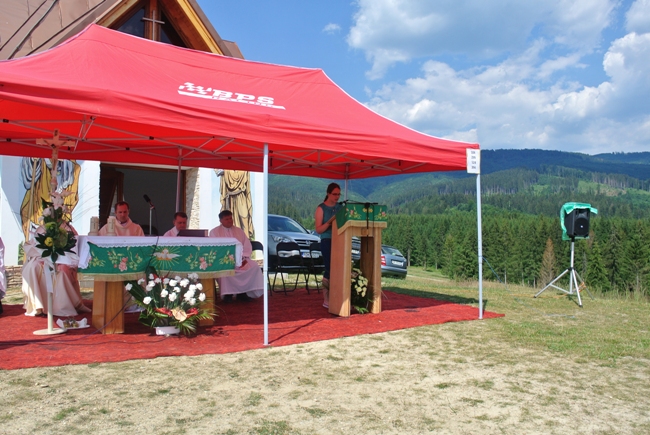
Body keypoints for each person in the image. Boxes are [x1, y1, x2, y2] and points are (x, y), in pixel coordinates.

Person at [21, 223, 91, 316]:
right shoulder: (43, 228)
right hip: (43, 258)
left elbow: (73, 246)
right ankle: (38, 305)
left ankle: (61, 306)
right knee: (33, 267)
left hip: (63, 259)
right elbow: (36, 244)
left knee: (62, 271)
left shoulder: (68, 228)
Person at [209, 210, 263, 301]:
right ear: (220, 221)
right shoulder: (214, 232)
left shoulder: (239, 231)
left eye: (231, 218)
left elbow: (247, 245)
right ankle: (227, 294)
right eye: (227, 219)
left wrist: (242, 257)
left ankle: (243, 293)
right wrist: (227, 258)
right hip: (224, 260)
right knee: (225, 270)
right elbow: (214, 248)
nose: (230, 221)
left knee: (254, 267)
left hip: (240, 259)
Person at [314, 183, 342, 309]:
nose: (337, 197)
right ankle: (326, 299)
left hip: (340, 240)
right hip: (327, 240)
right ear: (328, 194)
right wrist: (329, 223)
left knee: (340, 268)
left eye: (339, 194)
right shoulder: (321, 208)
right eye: (334, 194)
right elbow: (318, 229)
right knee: (329, 268)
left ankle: (338, 296)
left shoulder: (341, 208)